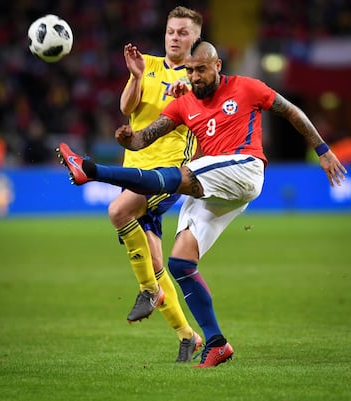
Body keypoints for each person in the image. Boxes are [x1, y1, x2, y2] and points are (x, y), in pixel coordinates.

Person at [56, 40, 347, 367]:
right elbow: (144, 138)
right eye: (190, 70)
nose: (194, 76)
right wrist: (128, 139)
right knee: (180, 263)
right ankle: (216, 342)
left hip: (245, 168)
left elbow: (291, 111)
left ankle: (91, 170)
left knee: (181, 175)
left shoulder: (247, 88)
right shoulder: (184, 104)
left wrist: (323, 150)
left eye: (201, 69)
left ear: (217, 65)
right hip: (215, 186)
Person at [109, 6, 203, 363]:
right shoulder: (146, 64)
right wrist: (135, 77)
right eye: (170, 31)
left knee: (118, 211)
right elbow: (126, 109)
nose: (174, 38)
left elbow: (203, 121)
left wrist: (189, 95)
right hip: (133, 169)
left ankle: (147, 291)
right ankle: (188, 336)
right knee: (153, 260)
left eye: (182, 33)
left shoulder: (199, 77)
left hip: (167, 173)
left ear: (195, 39)